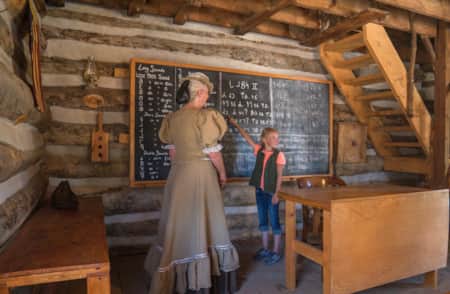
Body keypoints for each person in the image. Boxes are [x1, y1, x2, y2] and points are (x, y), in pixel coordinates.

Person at [145, 73, 239, 294]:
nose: (208, 96)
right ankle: (203, 275)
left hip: (178, 175)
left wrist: (182, 167)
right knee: (206, 220)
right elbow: (214, 154)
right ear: (199, 93)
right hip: (201, 174)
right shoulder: (205, 117)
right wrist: (223, 175)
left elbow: (173, 153)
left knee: (179, 223)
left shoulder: (172, 119)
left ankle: (176, 270)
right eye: (206, 92)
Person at [228, 118, 285, 265]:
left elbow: (279, 176)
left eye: (277, 137)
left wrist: (277, 194)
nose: (276, 140)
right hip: (259, 191)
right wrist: (236, 124)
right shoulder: (259, 150)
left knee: (274, 221)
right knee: (263, 221)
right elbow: (246, 137)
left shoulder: (279, 155)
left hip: (272, 192)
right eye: (272, 137)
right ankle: (265, 249)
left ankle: (276, 251)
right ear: (264, 139)